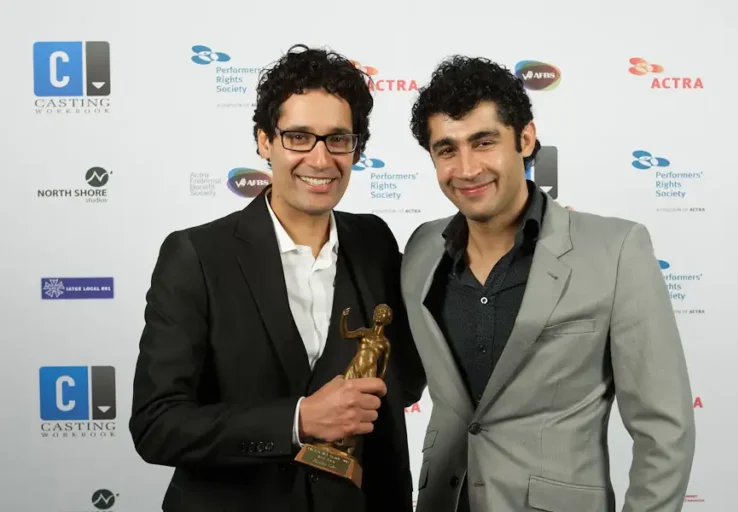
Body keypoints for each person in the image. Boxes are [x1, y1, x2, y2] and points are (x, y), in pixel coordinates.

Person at [129, 44, 425, 512]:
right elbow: (157, 425)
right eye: (299, 137)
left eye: (338, 139)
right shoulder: (196, 255)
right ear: (264, 141)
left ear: (357, 148)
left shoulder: (374, 242)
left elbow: (404, 380)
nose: (321, 158)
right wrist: (299, 419)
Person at [401, 55, 695, 512]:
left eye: (484, 142)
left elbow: (665, 429)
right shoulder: (421, 250)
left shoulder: (616, 249)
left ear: (525, 138)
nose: (467, 167)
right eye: (447, 149)